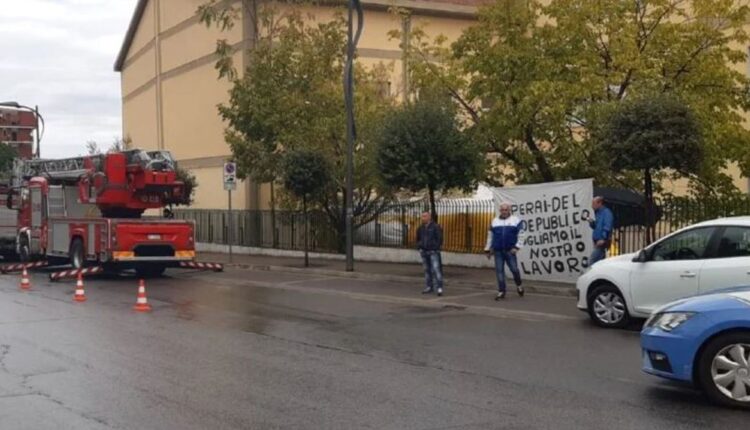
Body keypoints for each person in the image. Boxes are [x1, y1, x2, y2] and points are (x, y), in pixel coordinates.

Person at [484, 203, 525, 300]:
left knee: (514, 270)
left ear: (509, 210)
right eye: (502, 210)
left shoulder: (516, 220)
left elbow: (521, 235)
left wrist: (517, 247)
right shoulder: (494, 221)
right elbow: (490, 236)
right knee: (499, 271)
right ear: (500, 210)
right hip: (498, 251)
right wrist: (487, 249)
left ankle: (519, 285)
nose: (504, 211)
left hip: (510, 251)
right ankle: (501, 291)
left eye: (506, 210)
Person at [416, 211, 444, 297]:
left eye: (424, 216)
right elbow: (418, 239)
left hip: (433, 252)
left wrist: (435, 248)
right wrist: (420, 248)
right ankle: (429, 286)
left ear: (429, 217)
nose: (423, 218)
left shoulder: (435, 227)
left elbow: (439, 239)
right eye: (422, 216)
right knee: (427, 270)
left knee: (436, 269)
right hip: (424, 251)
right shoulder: (420, 228)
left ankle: (439, 287)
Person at [585, 196, 614, 266]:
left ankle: (590, 276)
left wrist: (603, 239)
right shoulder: (598, 213)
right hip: (598, 242)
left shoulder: (606, 213)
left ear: (599, 203)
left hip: (601, 242)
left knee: (591, 261)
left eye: (593, 203)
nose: (592, 206)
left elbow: (608, 226)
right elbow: (596, 227)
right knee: (599, 264)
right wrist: (592, 222)